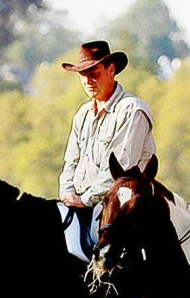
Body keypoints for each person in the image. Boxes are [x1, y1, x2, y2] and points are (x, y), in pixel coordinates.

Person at [59, 40, 156, 252]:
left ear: (111, 70)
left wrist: (84, 200)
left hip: (121, 207)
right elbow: (70, 162)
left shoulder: (132, 111)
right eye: (83, 75)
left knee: (102, 251)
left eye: (93, 72)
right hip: (80, 202)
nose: (88, 80)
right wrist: (67, 194)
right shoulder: (82, 114)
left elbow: (120, 170)